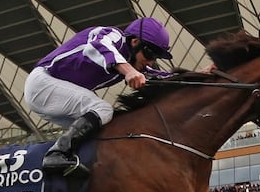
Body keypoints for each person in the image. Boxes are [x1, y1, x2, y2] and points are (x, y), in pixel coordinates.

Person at [24, 16, 174, 175]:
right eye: (150, 54)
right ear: (135, 41)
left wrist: (200, 76)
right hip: (42, 83)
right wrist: (129, 71)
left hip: (50, 96)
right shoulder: (112, 35)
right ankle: (56, 154)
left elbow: (163, 77)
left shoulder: (130, 61)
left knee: (106, 129)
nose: (151, 62)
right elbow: (97, 46)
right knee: (102, 109)